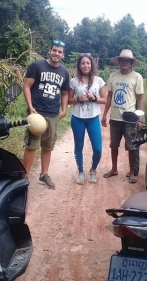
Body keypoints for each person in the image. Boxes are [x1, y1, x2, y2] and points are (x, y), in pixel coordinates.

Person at [22, 39, 70, 189]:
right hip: (37, 113)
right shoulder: (37, 66)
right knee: (31, 146)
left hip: (53, 114)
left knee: (48, 146)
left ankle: (44, 175)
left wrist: (64, 110)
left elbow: (64, 93)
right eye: (54, 50)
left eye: (59, 52)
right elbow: (27, 86)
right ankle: (24, 177)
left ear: (63, 55)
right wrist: (30, 107)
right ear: (49, 51)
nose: (56, 53)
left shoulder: (64, 72)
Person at [101, 49, 144, 184]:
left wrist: (140, 119)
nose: (124, 62)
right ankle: (114, 169)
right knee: (114, 145)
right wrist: (104, 115)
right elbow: (109, 96)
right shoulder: (113, 76)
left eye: (127, 60)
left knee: (131, 146)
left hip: (130, 119)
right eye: (122, 60)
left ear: (131, 63)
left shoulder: (137, 77)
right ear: (119, 62)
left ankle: (131, 172)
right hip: (115, 118)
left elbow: (140, 99)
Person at [69, 54, 107, 184]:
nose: (86, 65)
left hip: (93, 118)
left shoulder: (99, 80)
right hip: (77, 118)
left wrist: (94, 98)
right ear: (79, 66)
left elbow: (106, 100)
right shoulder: (74, 81)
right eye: (83, 63)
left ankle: (93, 170)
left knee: (98, 148)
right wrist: (78, 99)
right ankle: (80, 172)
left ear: (92, 65)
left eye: (88, 63)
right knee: (78, 146)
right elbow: (69, 100)